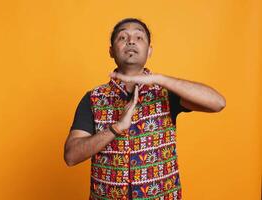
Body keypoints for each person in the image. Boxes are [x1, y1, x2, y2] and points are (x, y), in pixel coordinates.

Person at [64, 18, 226, 200]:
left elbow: (217, 102)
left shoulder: (166, 92)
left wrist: (159, 79)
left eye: (139, 37)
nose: (131, 41)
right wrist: (116, 128)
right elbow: (71, 156)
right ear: (111, 51)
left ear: (149, 51)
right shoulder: (93, 98)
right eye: (122, 37)